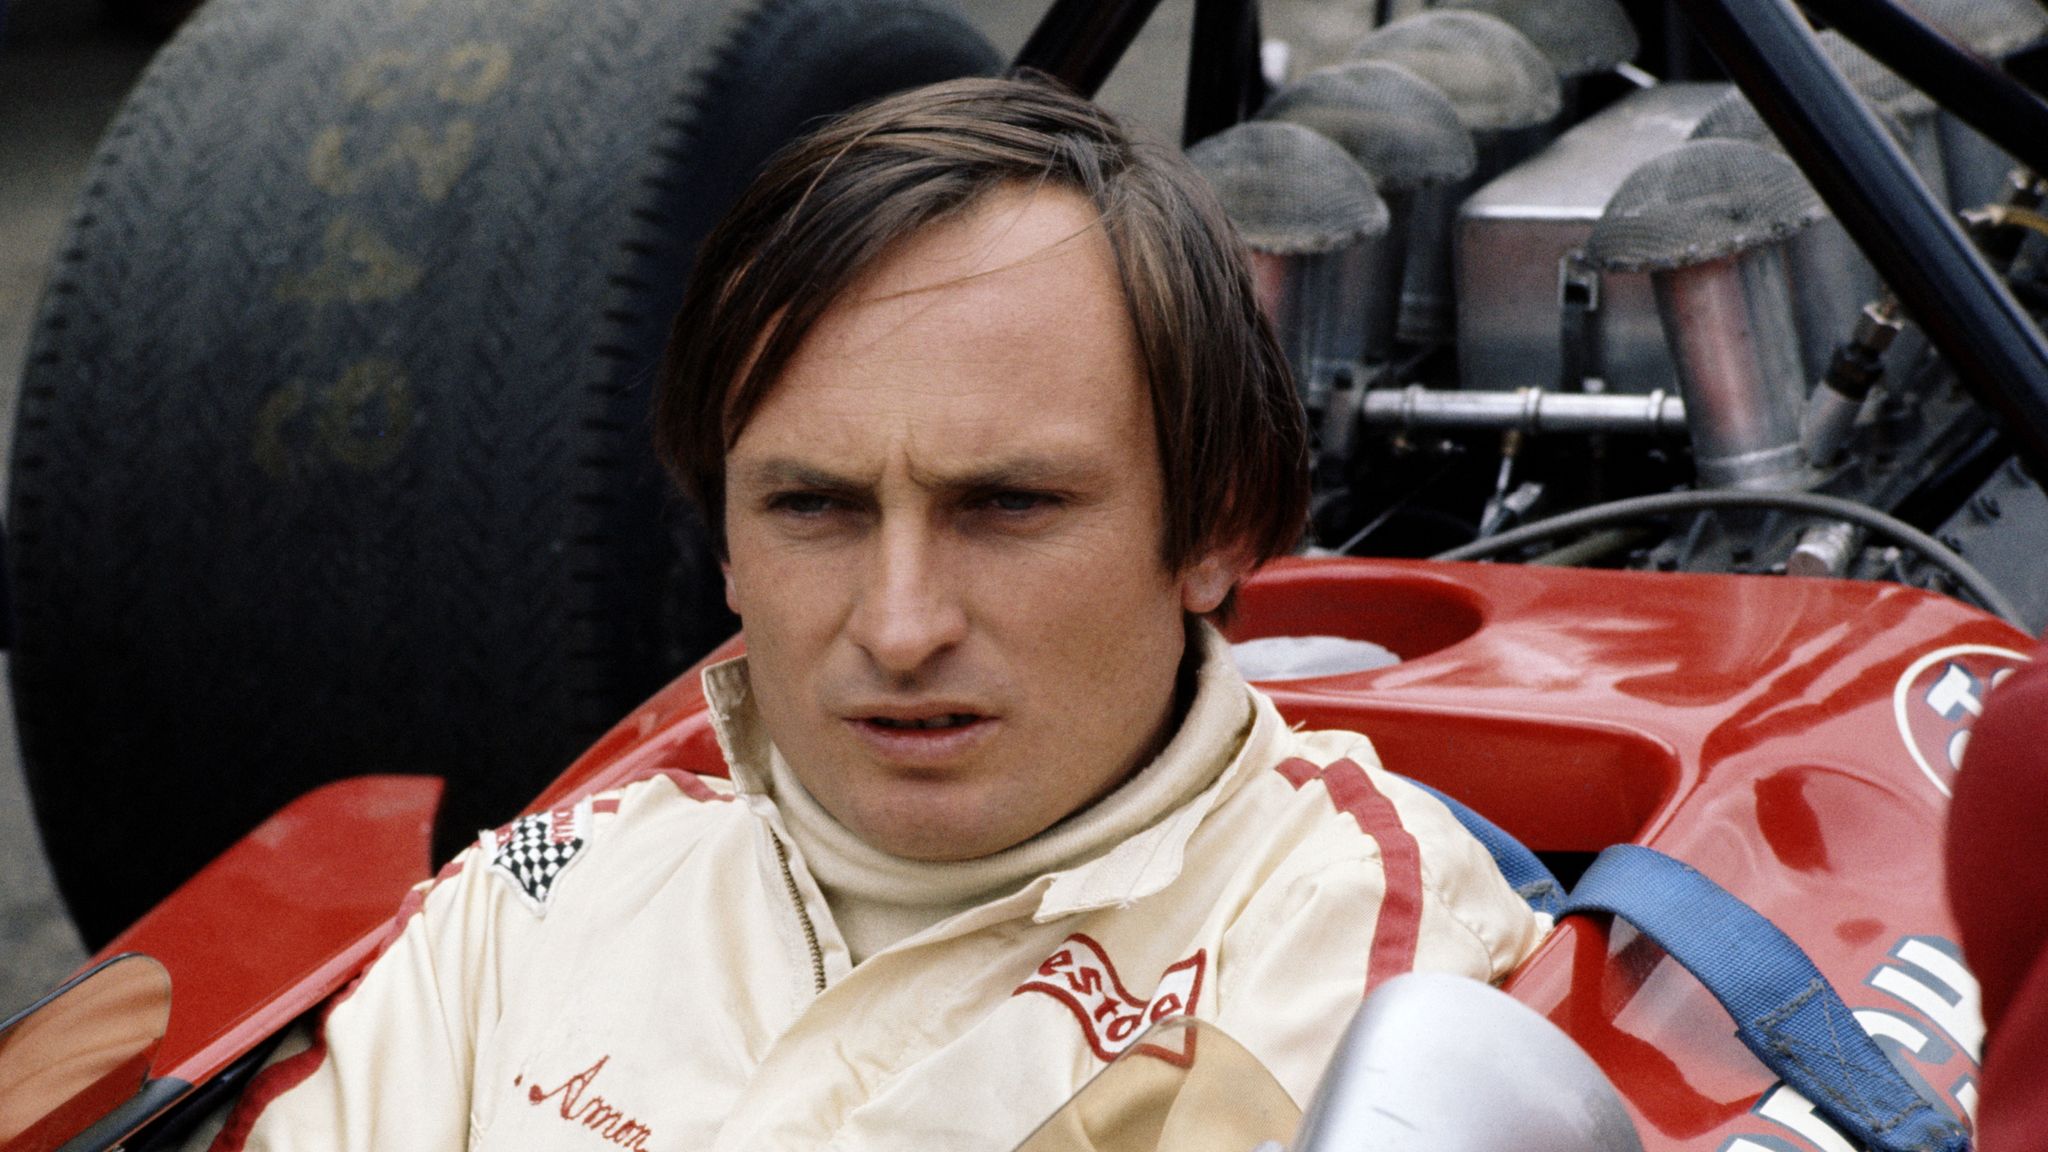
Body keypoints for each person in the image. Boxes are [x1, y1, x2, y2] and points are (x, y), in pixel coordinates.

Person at [210, 75, 1542, 1152]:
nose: (901, 630)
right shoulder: (531, 900)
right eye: (814, 507)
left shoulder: (1341, 930)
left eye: (1008, 504)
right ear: (726, 548)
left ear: (1218, 528)